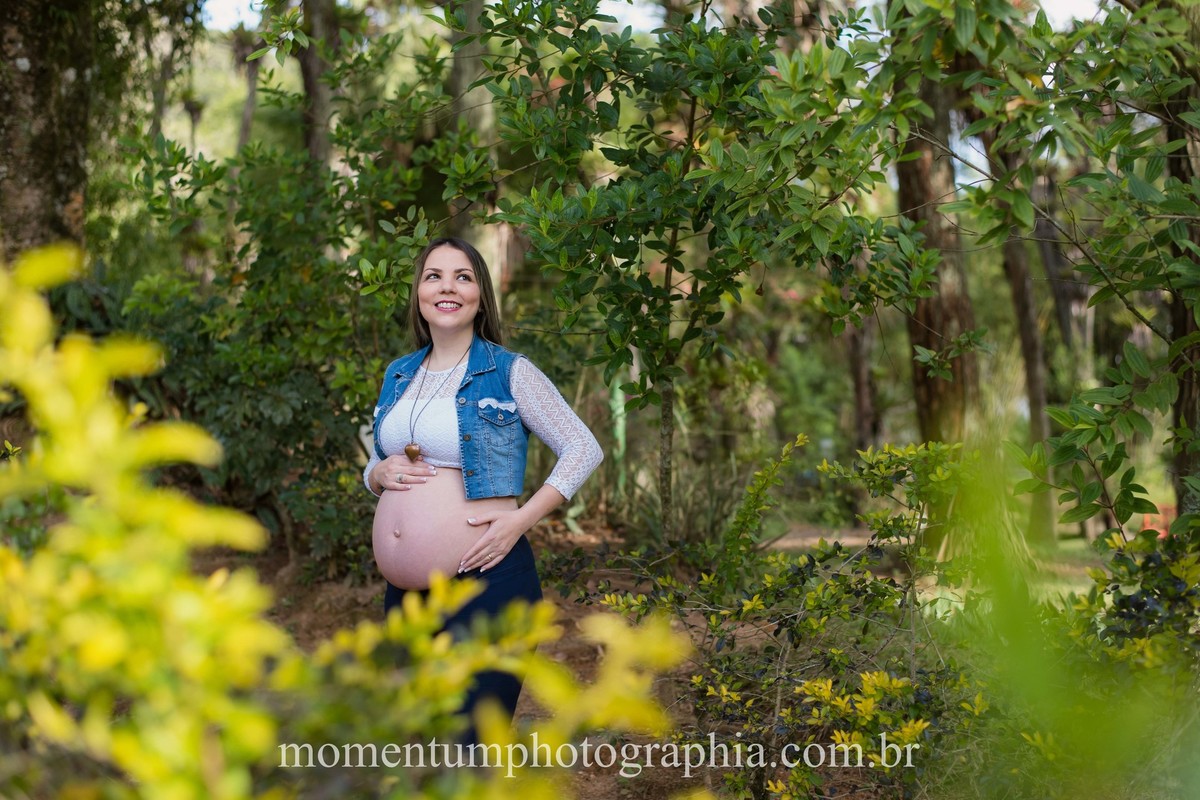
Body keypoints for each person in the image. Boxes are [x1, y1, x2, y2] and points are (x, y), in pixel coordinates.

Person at [363, 236, 602, 740]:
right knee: (420, 743)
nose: (447, 287)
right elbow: (377, 458)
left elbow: (583, 447)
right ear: (419, 293)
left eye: (463, 276)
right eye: (434, 276)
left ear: (479, 295)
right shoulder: (399, 374)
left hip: (486, 583)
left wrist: (521, 520)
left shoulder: (508, 371)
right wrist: (375, 474)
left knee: (469, 748)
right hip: (406, 599)